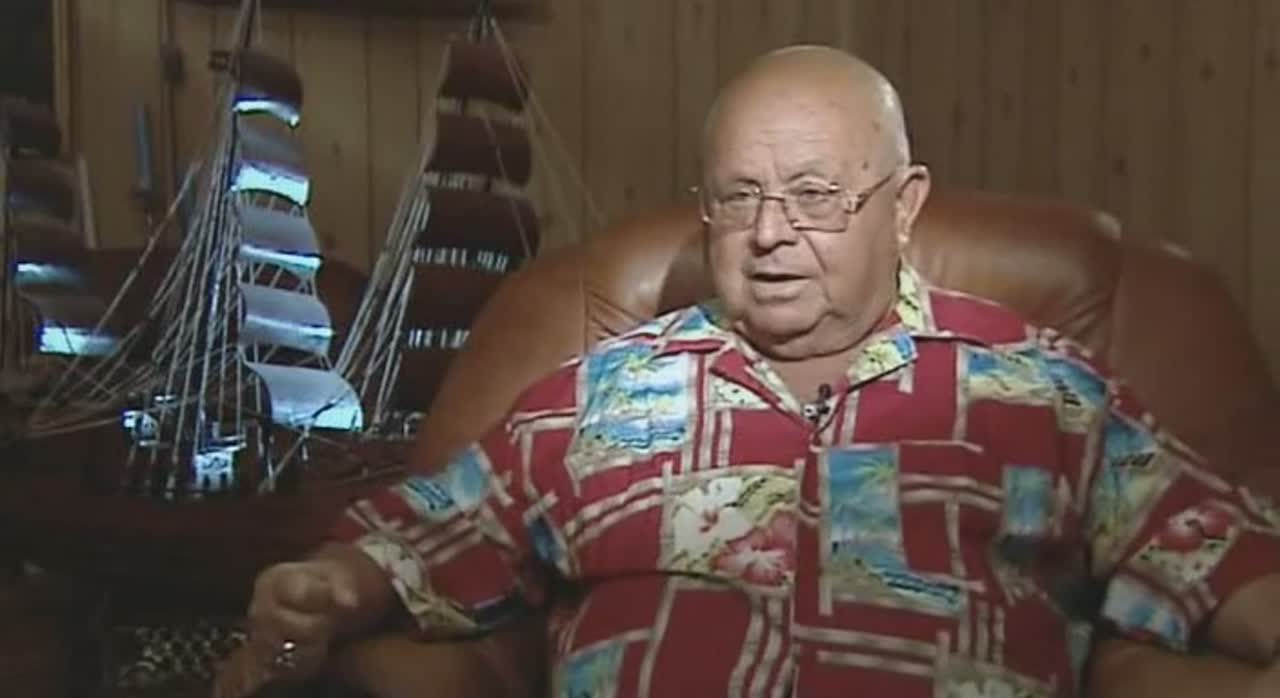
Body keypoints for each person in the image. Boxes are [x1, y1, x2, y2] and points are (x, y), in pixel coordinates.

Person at [216, 46, 1280, 697]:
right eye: (738, 197)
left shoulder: (1035, 388)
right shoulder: (601, 393)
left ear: (903, 207)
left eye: (814, 195)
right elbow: (432, 532)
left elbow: (1213, 548)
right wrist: (329, 587)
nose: (770, 234)